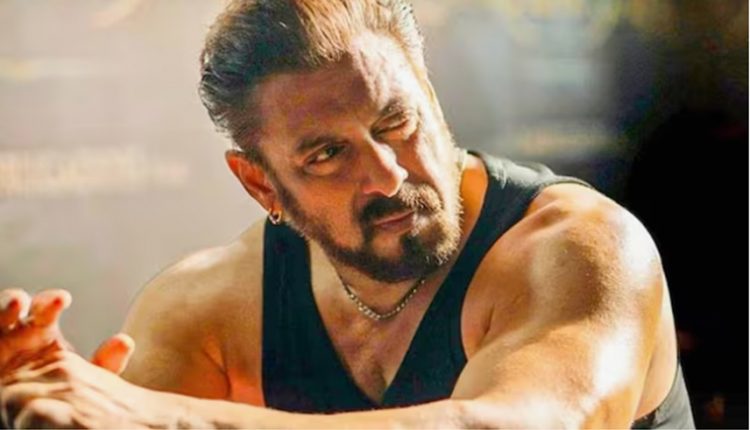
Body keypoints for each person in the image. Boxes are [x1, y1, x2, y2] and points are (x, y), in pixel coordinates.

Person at [0, 0, 694, 428]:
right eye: (328, 155)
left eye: (396, 122)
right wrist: (44, 401)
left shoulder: (582, 247)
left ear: (433, 99)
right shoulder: (206, 309)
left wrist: (169, 419)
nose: (387, 174)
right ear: (261, 186)